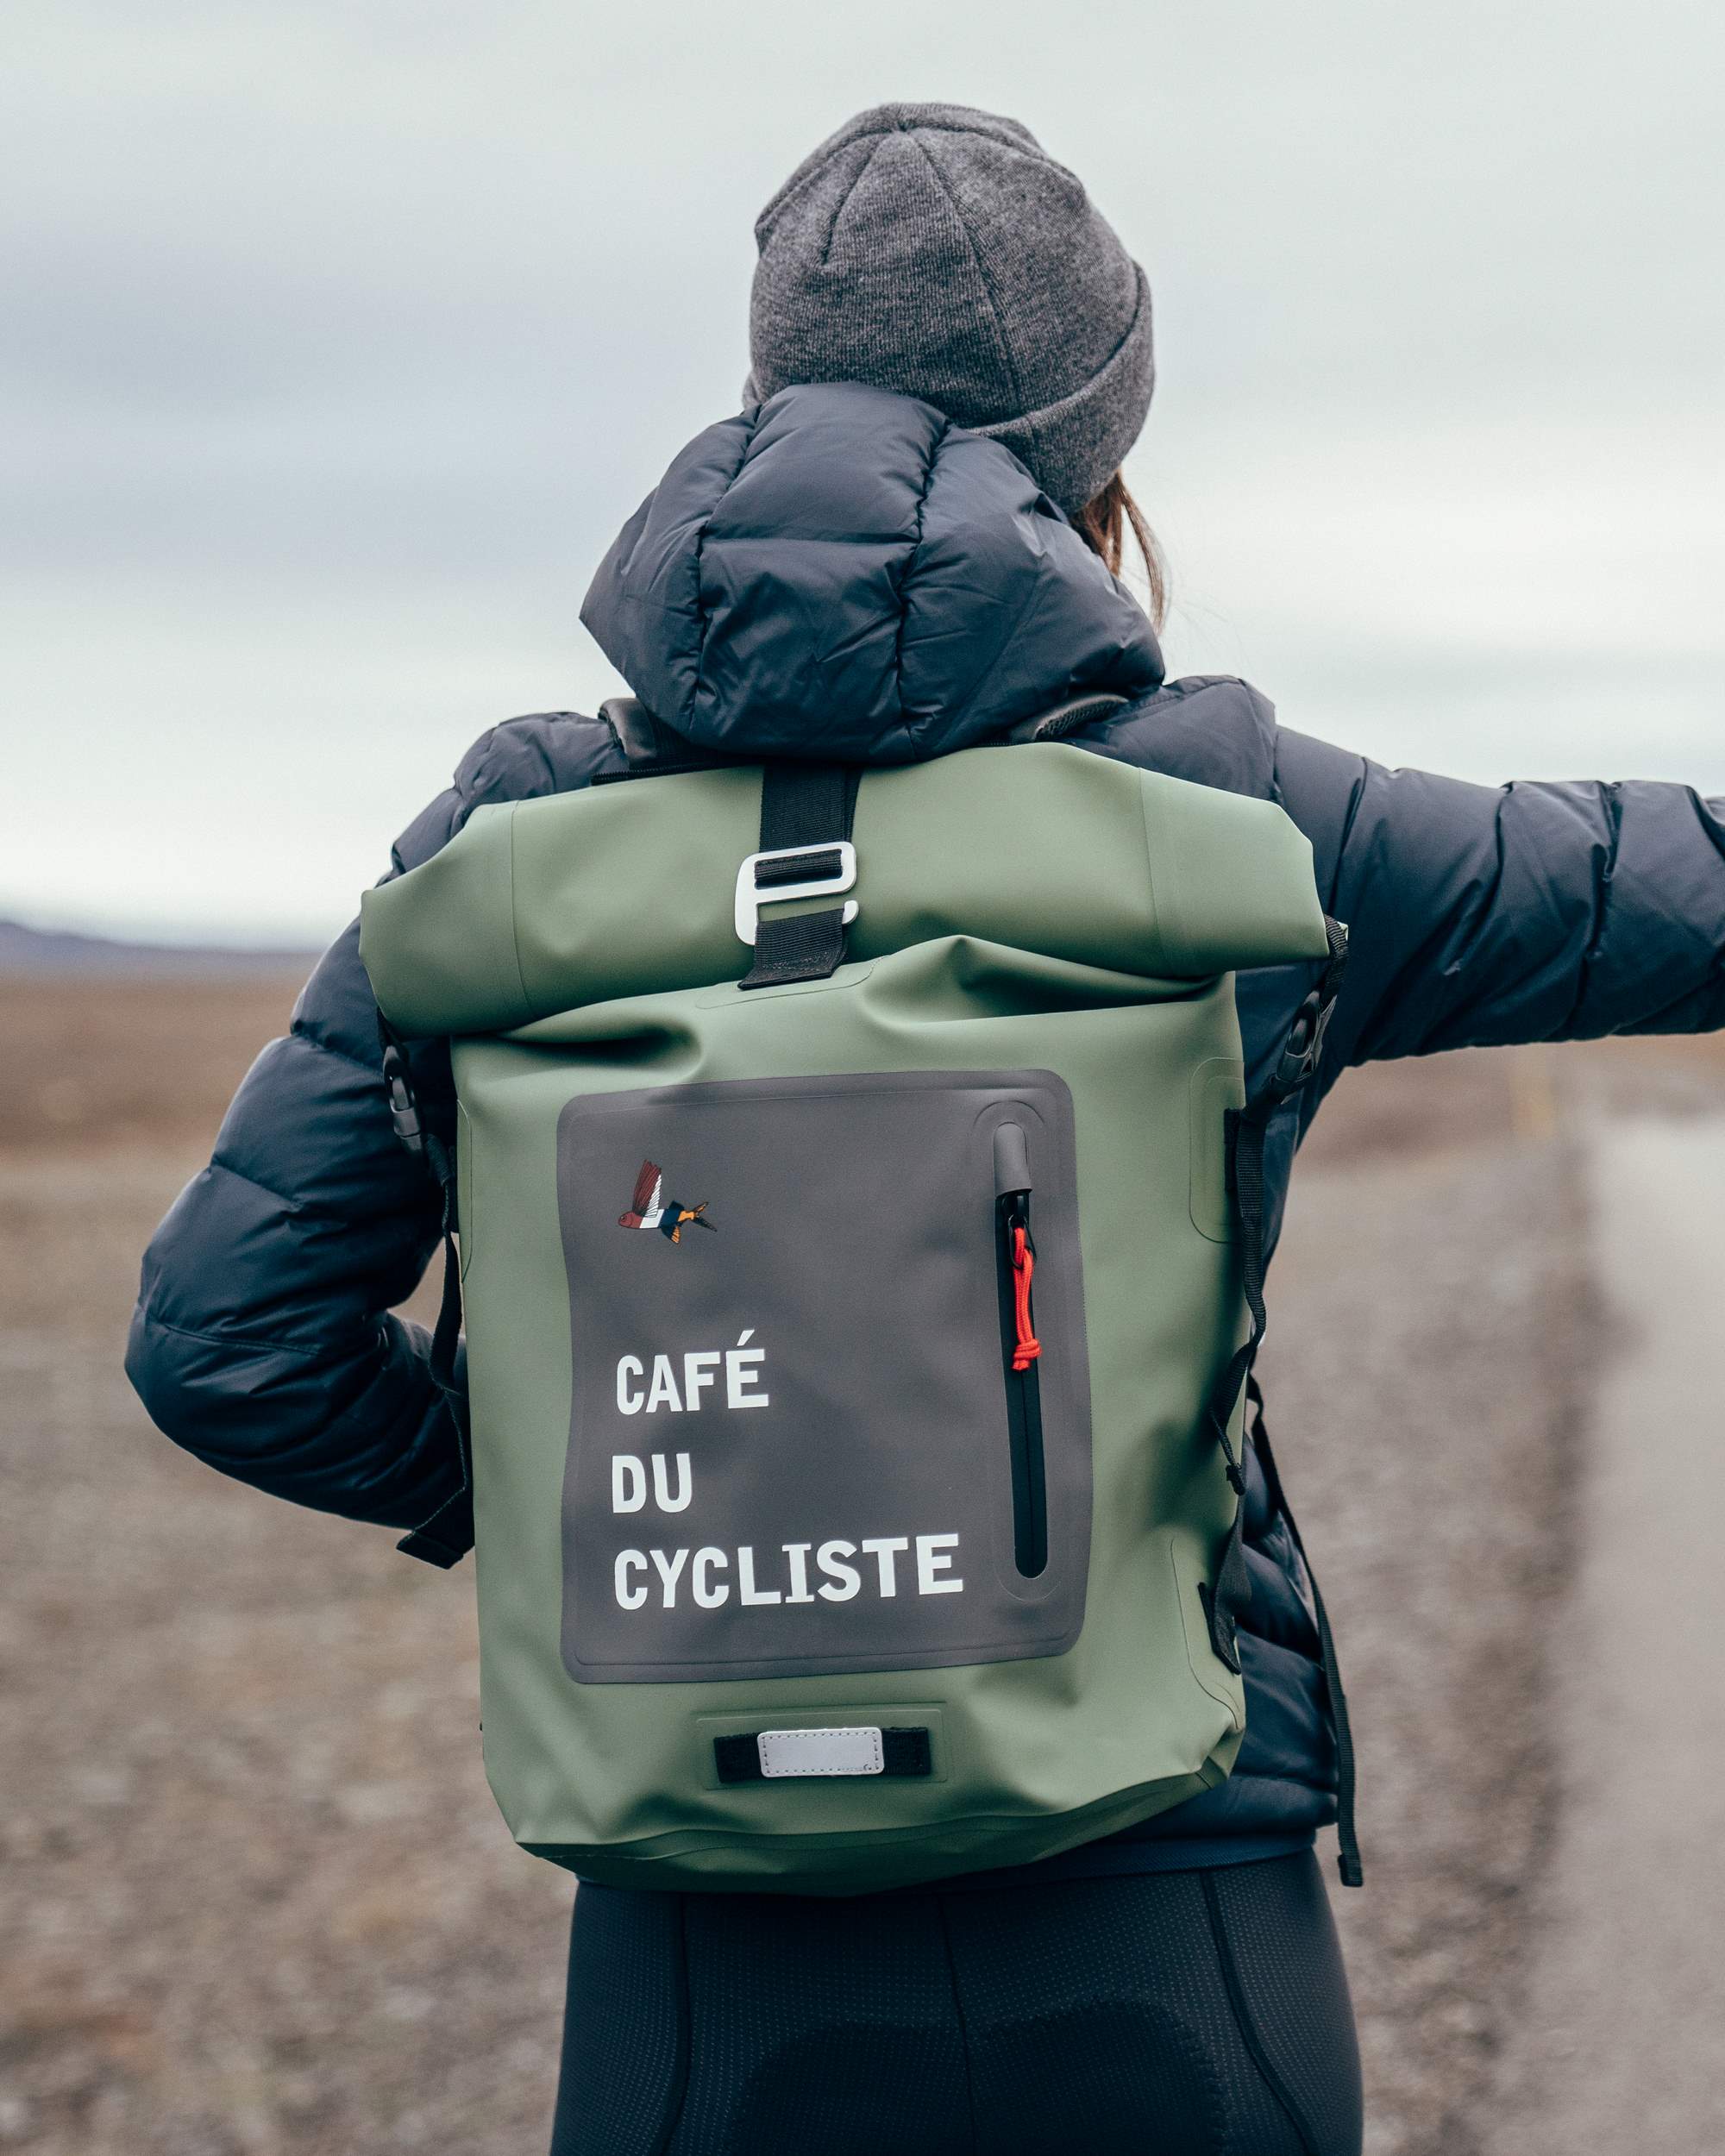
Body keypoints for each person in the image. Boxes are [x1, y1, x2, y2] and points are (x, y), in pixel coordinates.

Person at [127, 103, 1725, 2156]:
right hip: (1169, 1863)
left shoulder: (514, 842)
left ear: (767, 398)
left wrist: (555, 1492)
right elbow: (1659, 884)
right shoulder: (1240, 816)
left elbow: (224, 1336)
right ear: (1094, 458)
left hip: (707, 1912)